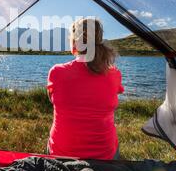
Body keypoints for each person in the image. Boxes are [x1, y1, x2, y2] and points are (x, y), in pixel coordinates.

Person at [46, 18, 124, 160]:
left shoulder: (56, 72)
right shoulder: (115, 74)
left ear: (75, 42)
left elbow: (51, 99)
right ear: (99, 40)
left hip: (61, 155)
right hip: (105, 156)